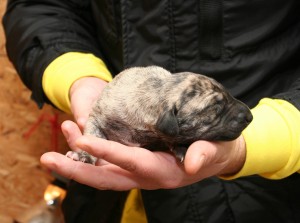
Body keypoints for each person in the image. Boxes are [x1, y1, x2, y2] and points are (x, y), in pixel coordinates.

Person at [3, 0, 300, 222]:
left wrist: (262, 141)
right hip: (105, 203)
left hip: (262, 195)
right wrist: (78, 78)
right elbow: (42, 6)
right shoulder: (124, 105)